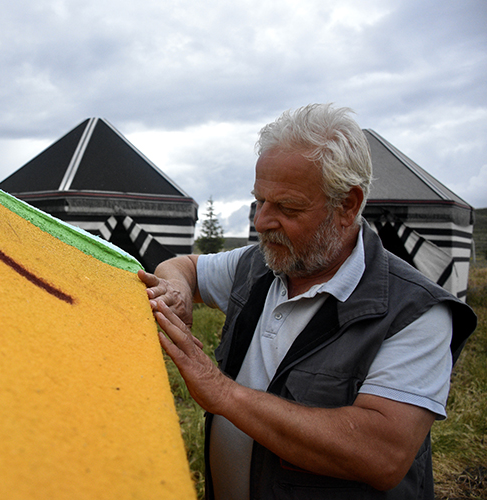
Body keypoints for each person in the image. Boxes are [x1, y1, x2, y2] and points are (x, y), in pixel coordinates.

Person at [138, 104, 476, 500]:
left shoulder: (415, 311)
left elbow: (382, 454)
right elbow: (182, 266)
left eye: (287, 207)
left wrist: (223, 393)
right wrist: (176, 289)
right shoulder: (259, 264)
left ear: (348, 205)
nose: (262, 221)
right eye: (259, 201)